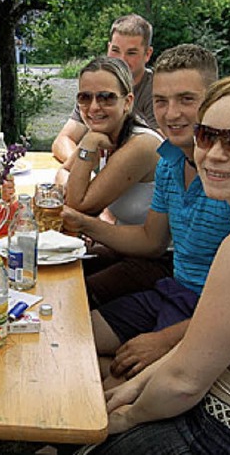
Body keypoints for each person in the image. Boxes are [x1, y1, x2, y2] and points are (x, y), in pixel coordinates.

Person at [92, 67, 230, 455]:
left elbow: (184, 382)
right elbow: (198, 349)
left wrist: (126, 419)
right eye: (207, 135)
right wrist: (131, 388)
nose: (214, 154)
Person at [62, 44, 230, 382]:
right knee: (67, 336)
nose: (172, 114)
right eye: (161, 101)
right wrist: (86, 225)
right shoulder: (171, 160)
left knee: (103, 372)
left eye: (187, 99)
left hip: (204, 312)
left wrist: (166, 340)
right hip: (172, 289)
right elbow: (150, 240)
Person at [58, 56, 170, 306]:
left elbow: (77, 205)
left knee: (71, 298)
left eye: (106, 97)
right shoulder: (104, 133)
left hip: (158, 261)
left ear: (127, 102)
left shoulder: (141, 144)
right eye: (84, 97)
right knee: (53, 273)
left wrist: (87, 144)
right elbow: (63, 171)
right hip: (121, 249)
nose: (93, 107)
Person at [52, 14, 157, 164]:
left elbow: (160, 151)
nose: (121, 59)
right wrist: (80, 166)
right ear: (108, 48)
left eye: (131, 53)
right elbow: (63, 140)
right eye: (115, 50)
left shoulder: (158, 91)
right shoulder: (96, 86)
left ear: (147, 54)